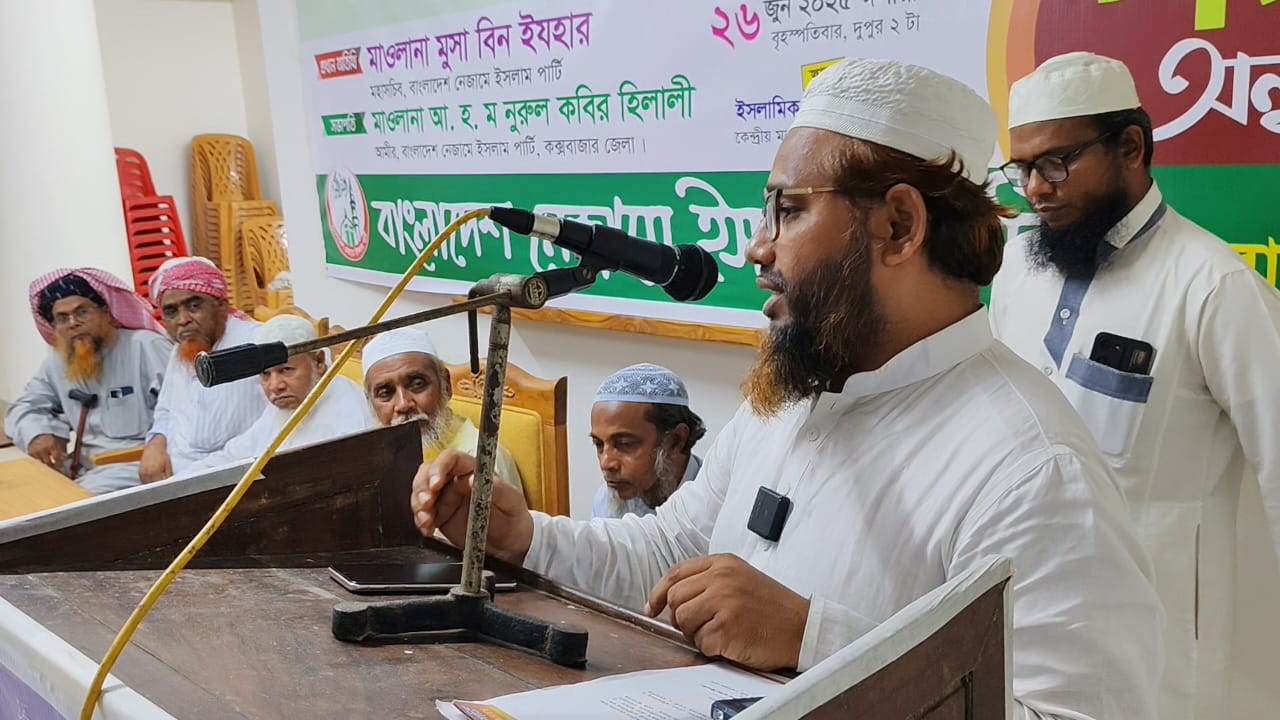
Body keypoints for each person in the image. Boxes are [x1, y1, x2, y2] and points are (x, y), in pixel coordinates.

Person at [412, 58, 1163, 719]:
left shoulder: (1033, 467)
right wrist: (526, 537)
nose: (756, 248)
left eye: (788, 210)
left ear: (899, 226)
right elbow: (675, 554)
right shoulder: (797, 395)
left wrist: (814, 638)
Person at [989, 51, 1280, 719]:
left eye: (1055, 163)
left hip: (1166, 635)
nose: (1035, 189)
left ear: (1130, 147)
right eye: (1021, 169)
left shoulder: (1213, 287)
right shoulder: (1016, 271)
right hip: (1034, 613)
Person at [4, 269, 172, 494]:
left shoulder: (145, 347)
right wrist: (37, 434)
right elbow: (25, 407)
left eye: (82, 312)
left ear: (105, 312)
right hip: (83, 468)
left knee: (67, 505)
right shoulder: (58, 361)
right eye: (62, 318)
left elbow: (184, 408)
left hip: (135, 465)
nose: (73, 323)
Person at [180, 315, 374, 474]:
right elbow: (233, 456)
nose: (275, 386)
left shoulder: (349, 414)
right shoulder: (284, 406)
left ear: (318, 362)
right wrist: (175, 485)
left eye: (286, 370)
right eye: (265, 374)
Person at [140, 257, 266, 482]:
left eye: (194, 306)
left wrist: (186, 479)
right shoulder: (182, 349)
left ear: (222, 306)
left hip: (231, 477)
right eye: (171, 312)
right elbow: (166, 410)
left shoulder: (257, 342)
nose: (183, 320)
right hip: (172, 475)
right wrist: (155, 444)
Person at [361, 326, 522, 492]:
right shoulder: (371, 459)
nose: (403, 404)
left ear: (445, 385)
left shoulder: (479, 461)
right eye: (385, 393)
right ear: (370, 403)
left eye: (417, 384)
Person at [590, 363, 706, 519]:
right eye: (599, 444)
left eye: (624, 444)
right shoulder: (605, 499)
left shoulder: (714, 502)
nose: (606, 464)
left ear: (675, 441)